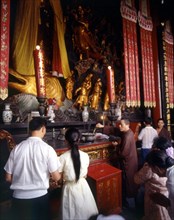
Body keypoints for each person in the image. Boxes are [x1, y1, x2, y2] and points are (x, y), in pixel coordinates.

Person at [4, 117, 61, 220]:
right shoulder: (48, 149)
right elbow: (56, 177)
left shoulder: (17, 148)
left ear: (29, 129)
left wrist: (21, 182)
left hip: (18, 200)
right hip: (39, 199)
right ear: (43, 129)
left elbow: (8, 177)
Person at [59, 127, 98, 220]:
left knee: (70, 213)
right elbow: (85, 174)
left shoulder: (63, 157)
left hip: (69, 188)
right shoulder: (85, 156)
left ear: (66, 141)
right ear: (79, 140)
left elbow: (59, 176)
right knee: (85, 213)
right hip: (83, 186)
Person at [112, 118, 138, 207]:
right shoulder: (129, 132)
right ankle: (132, 202)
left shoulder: (127, 136)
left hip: (128, 163)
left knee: (128, 182)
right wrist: (119, 144)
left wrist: (116, 149)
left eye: (121, 124)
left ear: (127, 125)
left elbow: (123, 153)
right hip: (132, 161)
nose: (119, 126)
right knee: (130, 181)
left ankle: (131, 206)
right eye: (119, 124)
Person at [146, 150, 174, 220]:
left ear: (156, 168)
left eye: (151, 168)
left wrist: (166, 204)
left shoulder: (171, 182)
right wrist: (168, 202)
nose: (152, 171)